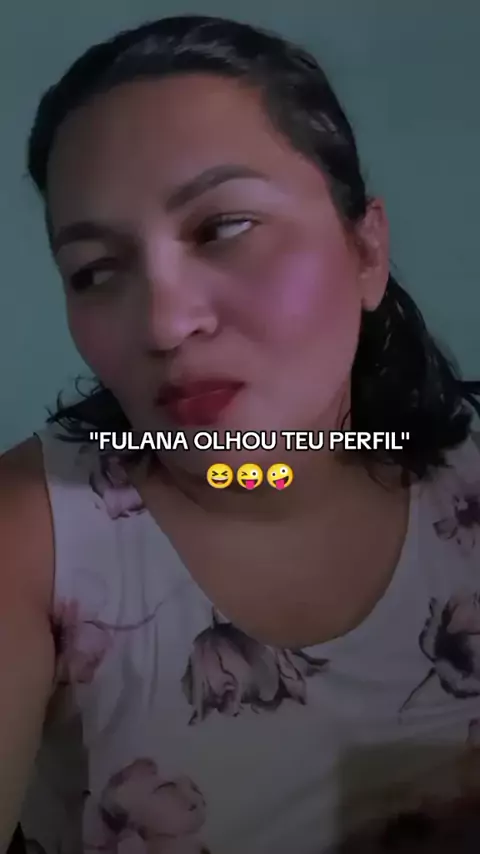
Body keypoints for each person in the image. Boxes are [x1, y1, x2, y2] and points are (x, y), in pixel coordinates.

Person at [1, 14, 479, 854]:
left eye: (223, 227)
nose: (164, 323)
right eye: (96, 271)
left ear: (366, 251)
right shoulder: (35, 533)